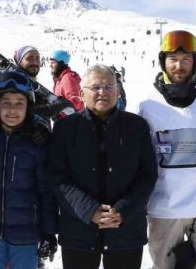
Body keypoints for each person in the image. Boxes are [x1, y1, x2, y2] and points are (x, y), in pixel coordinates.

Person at [50, 64, 157, 269]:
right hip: (79, 231)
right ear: (82, 93)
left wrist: (123, 210)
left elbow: (147, 175)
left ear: (118, 92)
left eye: (109, 87)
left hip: (125, 231)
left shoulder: (136, 127)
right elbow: (58, 177)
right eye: (96, 87)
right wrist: (89, 210)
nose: (103, 92)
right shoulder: (65, 128)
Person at [137, 31, 196, 269]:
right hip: (165, 206)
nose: (179, 66)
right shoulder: (146, 101)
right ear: (162, 61)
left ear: (195, 61)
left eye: (186, 59)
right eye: (173, 59)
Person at [0, 70, 58, 269]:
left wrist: (49, 232)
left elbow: (46, 191)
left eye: (19, 103)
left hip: (25, 234)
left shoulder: (36, 142)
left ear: (29, 107)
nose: (12, 110)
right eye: (6, 103)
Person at [14, 45, 75, 121]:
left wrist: (56, 115)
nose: (35, 62)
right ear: (20, 62)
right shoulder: (15, 81)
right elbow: (19, 111)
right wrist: (53, 109)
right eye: (29, 58)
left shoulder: (31, 85)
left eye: (37, 58)